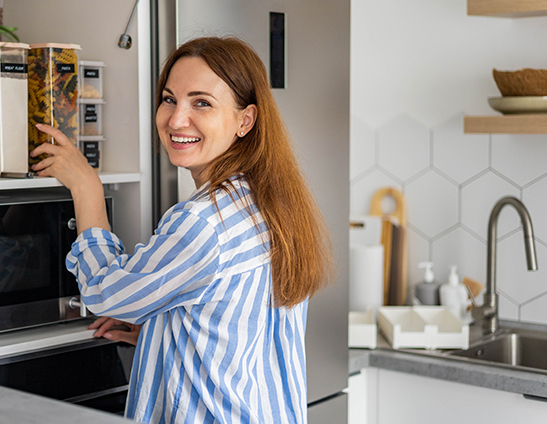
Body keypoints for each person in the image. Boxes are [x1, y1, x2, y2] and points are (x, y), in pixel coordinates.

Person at [30, 36, 334, 424]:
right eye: (170, 98)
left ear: (245, 120)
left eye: (201, 103)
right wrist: (164, 330)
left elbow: (105, 294)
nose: (175, 119)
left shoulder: (202, 222)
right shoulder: (272, 204)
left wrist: (87, 188)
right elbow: (239, 328)